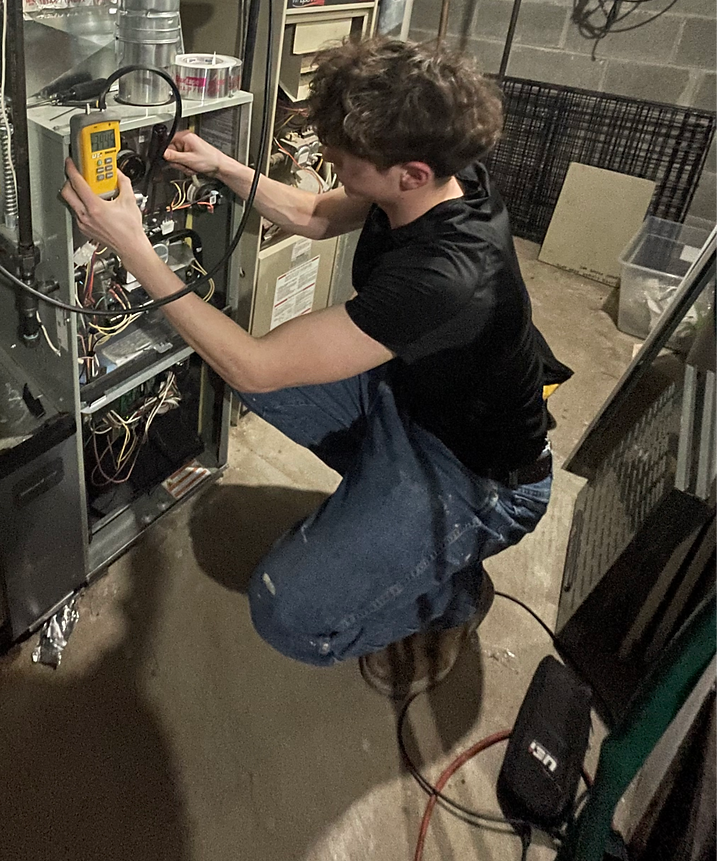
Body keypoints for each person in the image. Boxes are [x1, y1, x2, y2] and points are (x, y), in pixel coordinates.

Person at [60, 36, 567, 699]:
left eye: (344, 155)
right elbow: (313, 213)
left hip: (478, 475)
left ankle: (452, 592)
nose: (327, 157)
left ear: (410, 171)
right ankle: (386, 514)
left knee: (287, 611)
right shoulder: (445, 177)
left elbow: (253, 367)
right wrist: (221, 165)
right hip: (411, 401)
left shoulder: (448, 275)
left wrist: (133, 248)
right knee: (250, 368)